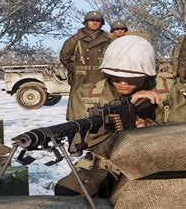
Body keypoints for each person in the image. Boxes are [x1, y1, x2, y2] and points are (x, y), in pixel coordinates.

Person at [56, 35, 163, 198]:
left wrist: (148, 127)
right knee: (69, 190)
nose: (123, 82)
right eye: (116, 76)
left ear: (146, 74)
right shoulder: (86, 95)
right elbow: (78, 141)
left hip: (156, 160)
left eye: (133, 77)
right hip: (105, 161)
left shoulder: (169, 92)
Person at [60, 11, 112, 120]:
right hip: (81, 79)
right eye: (91, 20)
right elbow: (64, 58)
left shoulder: (107, 40)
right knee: (78, 110)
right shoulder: (75, 39)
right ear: (86, 22)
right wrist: (75, 69)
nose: (95, 23)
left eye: (98, 21)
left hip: (101, 77)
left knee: (103, 108)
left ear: (102, 23)